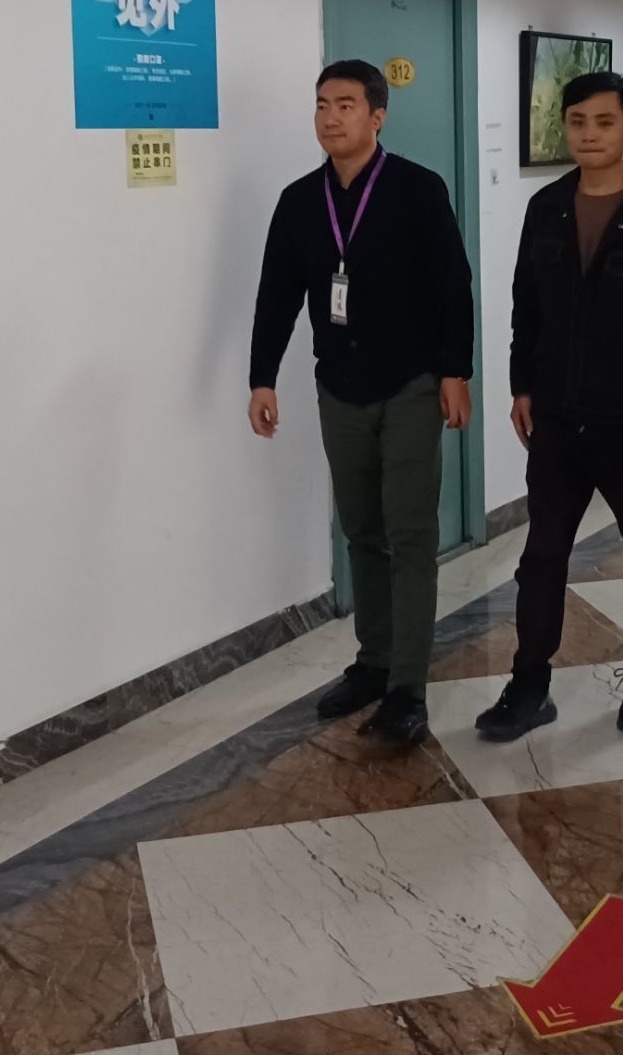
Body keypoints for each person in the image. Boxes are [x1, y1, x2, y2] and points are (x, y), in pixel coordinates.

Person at [476, 72, 623, 743]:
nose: (588, 134)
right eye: (577, 121)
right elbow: (526, 307)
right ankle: (529, 684)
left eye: (604, 122)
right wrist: (521, 385)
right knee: (542, 556)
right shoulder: (545, 207)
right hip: (556, 418)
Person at [249, 60, 476, 746]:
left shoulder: (417, 189)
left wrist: (455, 371)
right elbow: (277, 293)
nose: (330, 117)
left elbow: (453, 285)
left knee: (409, 535)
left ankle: (407, 689)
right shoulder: (299, 201)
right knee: (361, 532)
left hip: (410, 384)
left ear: (377, 115)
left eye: (345, 104)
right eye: (321, 104)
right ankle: (374, 661)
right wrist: (262, 377)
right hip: (339, 388)